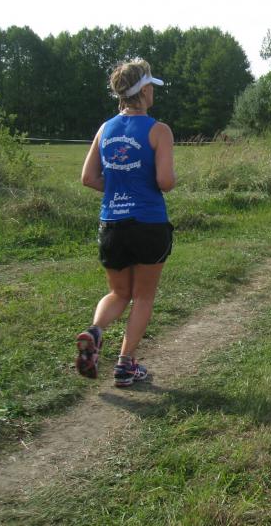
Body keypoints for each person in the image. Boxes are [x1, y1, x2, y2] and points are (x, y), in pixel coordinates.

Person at [77, 58, 176, 387]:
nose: (153, 93)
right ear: (144, 91)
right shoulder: (159, 130)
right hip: (148, 223)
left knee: (118, 293)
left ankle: (95, 332)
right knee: (143, 297)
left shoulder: (105, 129)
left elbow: (88, 178)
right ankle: (125, 365)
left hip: (112, 225)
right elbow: (165, 182)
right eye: (151, 87)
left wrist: (118, 188)